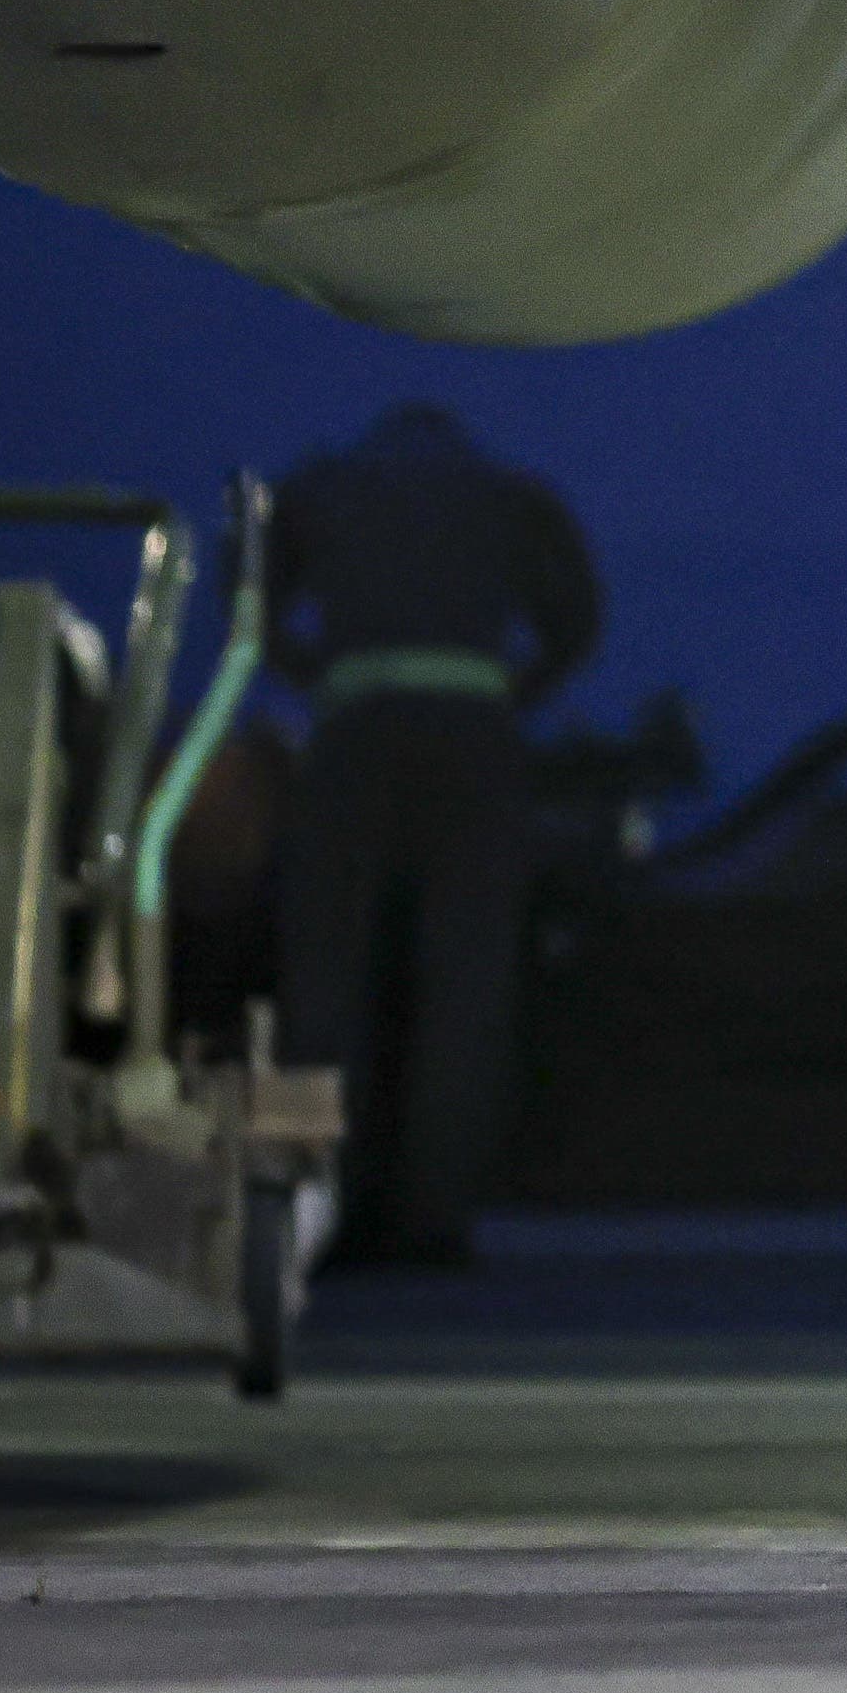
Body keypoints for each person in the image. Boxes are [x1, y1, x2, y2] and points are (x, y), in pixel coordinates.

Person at [266, 401, 601, 1267]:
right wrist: (507, 697)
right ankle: (435, 1218)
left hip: (354, 737)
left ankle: (321, 1208)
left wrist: (317, 674)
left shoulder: (321, 489)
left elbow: (251, 603)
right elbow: (579, 622)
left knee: (327, 979)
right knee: (466, 983)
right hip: (474, 748)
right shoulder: (509, 498)